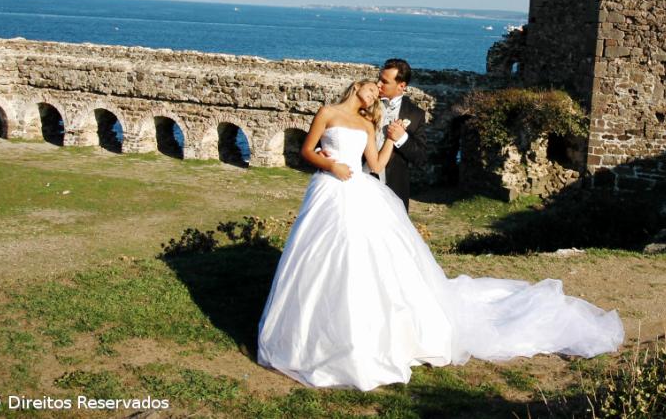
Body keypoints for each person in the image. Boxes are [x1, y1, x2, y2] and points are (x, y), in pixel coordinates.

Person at [256, 80, 624, 392]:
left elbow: (377, 165)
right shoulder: (328, 112)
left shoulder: (368, 124)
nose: (373, 93)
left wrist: (392, 138)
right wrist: (329, 164)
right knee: (320, 254)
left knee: (361, 255)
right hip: (329, 189)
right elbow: (306, 150)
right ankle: (313, 332)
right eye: (369, 87)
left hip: (358, 189)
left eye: (376, 92)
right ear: (357, 88)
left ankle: (358, 329)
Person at [372, 58, 427, 211]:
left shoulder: (416, 114)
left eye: (385, 81)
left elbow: (421, 158)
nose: (378, 84)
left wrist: (402, 138)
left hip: (394, 189)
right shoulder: (366, 102)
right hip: (359, 180)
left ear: (401, 86)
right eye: (379, 79)